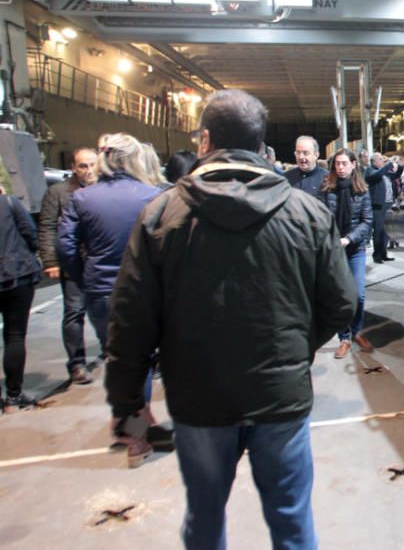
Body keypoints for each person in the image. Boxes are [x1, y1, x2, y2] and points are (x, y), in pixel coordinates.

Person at [104, 89, 357, 548]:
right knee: (292, 522)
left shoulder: (161, 215)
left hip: (199, 399)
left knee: (204, 518)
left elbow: (130, 319)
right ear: (262, 148)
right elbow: (341, 302)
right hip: (280, 396)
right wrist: (296, 348)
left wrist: (128, 404)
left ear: (204, 141)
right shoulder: (306, 212)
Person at [57, 134, 163, 370]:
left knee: (117, 355)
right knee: (142, 357)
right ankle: (138, 404)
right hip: (142, 287)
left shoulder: (81, 197)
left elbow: (65, 245)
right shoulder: (153, 196)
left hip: (100, 288)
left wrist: (82, 275)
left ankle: (130, 404)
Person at [38, 147, 99, 385]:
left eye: (93, 164)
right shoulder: (58, 192)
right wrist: (51, 261)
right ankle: (77, 364)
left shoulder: (104, 189)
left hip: (101, 260)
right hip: (74, 262)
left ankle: (111, 351)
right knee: (74, 312)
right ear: (74, 167)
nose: (89, 170)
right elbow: (47, 227)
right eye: (83, 165)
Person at [322, 148, 374, 359]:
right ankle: (344, 337)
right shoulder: (328, 188)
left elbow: (367, 220)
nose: (341, 168)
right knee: (340, 296)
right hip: (334, 251)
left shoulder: (362, 190)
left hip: (355, 250)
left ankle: (357, 330)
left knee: (359, 295)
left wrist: (349, 238)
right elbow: (322, 217)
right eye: (338, 164)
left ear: (353, 165)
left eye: (344, 163)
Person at [0, 187, 43, 411]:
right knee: (15, 336)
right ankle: (14, 395)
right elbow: (30, 233)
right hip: (17, 274)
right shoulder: (8, 203)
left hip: (15, 273)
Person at [365, 152, 402, 263]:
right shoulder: (370, 170)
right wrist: (389, 163)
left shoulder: (384, 172)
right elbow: (377, 175)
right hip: (378, 206)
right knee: (378, 231)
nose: (383, 161)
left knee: (386, 231)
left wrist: (400, 166)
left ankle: (383, 254)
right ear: (375, 161)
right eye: (381, 159)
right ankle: (377, 256)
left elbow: (396, 175)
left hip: (388, 204)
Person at [284, 135, 328, 199]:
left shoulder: (327, 178)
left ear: (316, 155)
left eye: (305, 153)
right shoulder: (286, 178)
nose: (301, 157)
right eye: (298, 152)